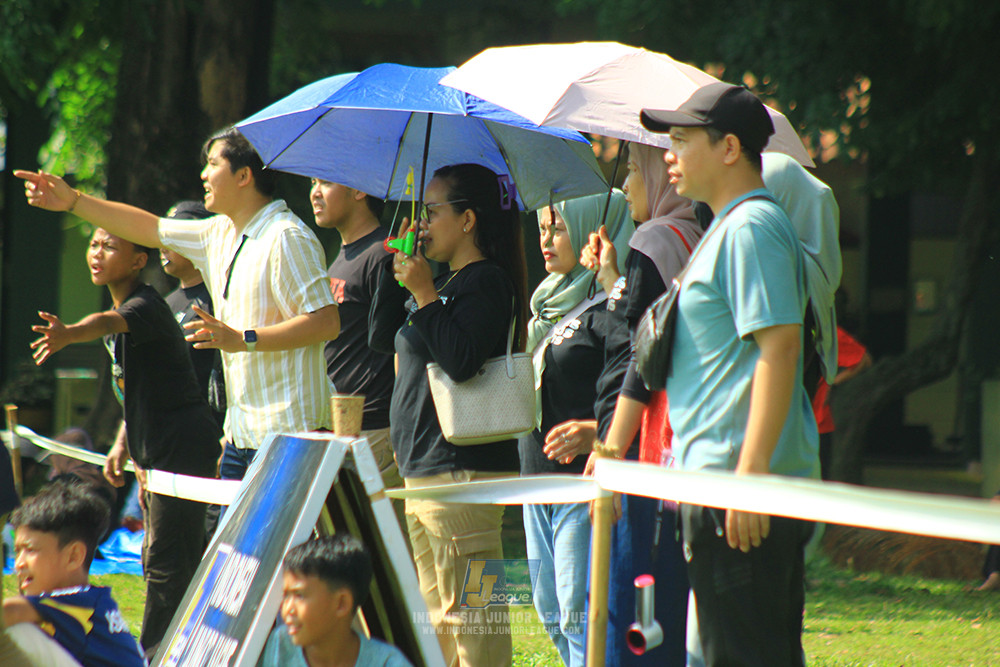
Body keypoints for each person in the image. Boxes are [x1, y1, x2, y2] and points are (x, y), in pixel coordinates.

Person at [15, 127, 340, 484]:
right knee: (228, 525)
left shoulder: (286, 236)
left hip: (291, 434)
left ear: (244, 176)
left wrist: (243, 339)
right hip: (240, 436)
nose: (203, 174)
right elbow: (149, 227)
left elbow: (326, 322)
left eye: (213, 163)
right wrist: (74, 200)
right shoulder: (218, 233)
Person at [640, 82, 819, 666]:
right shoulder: (729, 227)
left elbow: (780, 348)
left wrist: (749, 477)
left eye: (681, 139)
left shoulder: (750, 228)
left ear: (730, 148)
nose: (669, 154)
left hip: (738, 491)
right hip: (719, 487)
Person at [29, 227, 220, 655]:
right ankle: (170, 649)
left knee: (169, 562)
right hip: (155, 449)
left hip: (182, 448)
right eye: (94, 244)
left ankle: (155, 654)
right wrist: (124, 445)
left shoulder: (145, 306)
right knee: (157, 557)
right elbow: (131, 388)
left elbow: (104, 323)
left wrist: (69, 332)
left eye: (110, 246)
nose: (97, 253)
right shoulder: (128, 307)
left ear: (138, 261)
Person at [370, 163, 528, 667]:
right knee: (437, 621)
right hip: (424, 470)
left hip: (462, 472)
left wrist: (424, 295)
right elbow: (382, 338)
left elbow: (461, 362)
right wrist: (397, 267)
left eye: (432, 212)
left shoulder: (488, 282)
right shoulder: (442, 282)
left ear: (467, 220)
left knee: (476, 622)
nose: (422, 223)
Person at [580, 141, 701, 667]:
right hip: (681, 446)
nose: (626, 185)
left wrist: (609, 447)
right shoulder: (698, 237)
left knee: (626, 605)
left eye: (633, 170)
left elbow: (639, 360)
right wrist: (613, 277)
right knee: (667, 603)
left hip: (640, 447)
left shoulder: (652, 240)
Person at [521, 191, 632, 667]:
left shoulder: (613, 306)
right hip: (534, 478)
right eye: (542, 228)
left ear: (590, 229)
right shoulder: (545, 303)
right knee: (549, 611)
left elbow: (633, 382)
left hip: (580, 481)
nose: (546, 240)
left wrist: (598, 430)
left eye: (558, 228)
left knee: (577, 613)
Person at [310, 179, 400, 490]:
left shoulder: (385, 252)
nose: (315, 192)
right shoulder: (343, 255)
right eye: (312, 182)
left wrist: (401, 427)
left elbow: (401, 343)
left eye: (325, 182)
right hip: (341, 428)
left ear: (359, 189)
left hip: (374, 431)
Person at [2, 480, 145, 667]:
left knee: (19, 632)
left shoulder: (82, 605)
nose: (19, 564)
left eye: (30, 550)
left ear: (73, 556)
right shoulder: (93, 603)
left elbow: (11, 611)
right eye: (17, 552)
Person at [257, 534, 412, 667]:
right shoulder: (279, 645)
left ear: (341, 604)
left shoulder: (387, 663)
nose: (287, 610)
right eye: (286, 596)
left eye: (300, 596)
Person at [161, 200, 227, 427]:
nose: (164, 247)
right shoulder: (165, 303)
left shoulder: (221, 299)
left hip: (213, 433)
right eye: (163, 237)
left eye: (175, 237)